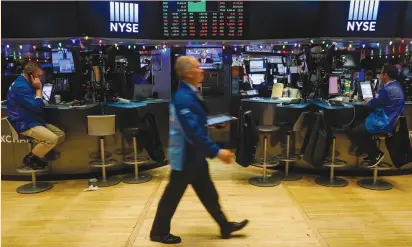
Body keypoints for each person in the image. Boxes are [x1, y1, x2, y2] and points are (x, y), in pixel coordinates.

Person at [150, 56, 248, 244]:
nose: (202, 70)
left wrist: (211, 124)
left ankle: (224, 225)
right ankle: (158, 232)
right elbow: (192, 132)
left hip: (195, 155)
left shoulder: (190, 93)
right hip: (186, 156)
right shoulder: (183, 97)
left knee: (208, 193)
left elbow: (195, 124)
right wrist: (218, 152)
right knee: (172, 196)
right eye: (198, 67)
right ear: (189, 73)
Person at [7, 61, 65, 170]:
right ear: (30, 74)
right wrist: (39, 89)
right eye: (38, 76)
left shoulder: (26, 82)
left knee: (60, 135)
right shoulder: (21, 87)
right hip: (24, 123)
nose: (40, 78)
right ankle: (30, 158)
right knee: (51, 139)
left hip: (33, 120)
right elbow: (37, 106)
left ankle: (42, 151)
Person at [348, 65, 405, 167]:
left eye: (381, 73)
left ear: (385, 75)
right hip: (390, 122)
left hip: (382, 123)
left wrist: (369, 102)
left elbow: (374, 104)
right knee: (357, 125)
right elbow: (381, 102)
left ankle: (375, 154)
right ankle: (367, 152)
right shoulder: (397, 86)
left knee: (353, 133)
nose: (379, 76)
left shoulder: (387, 89)